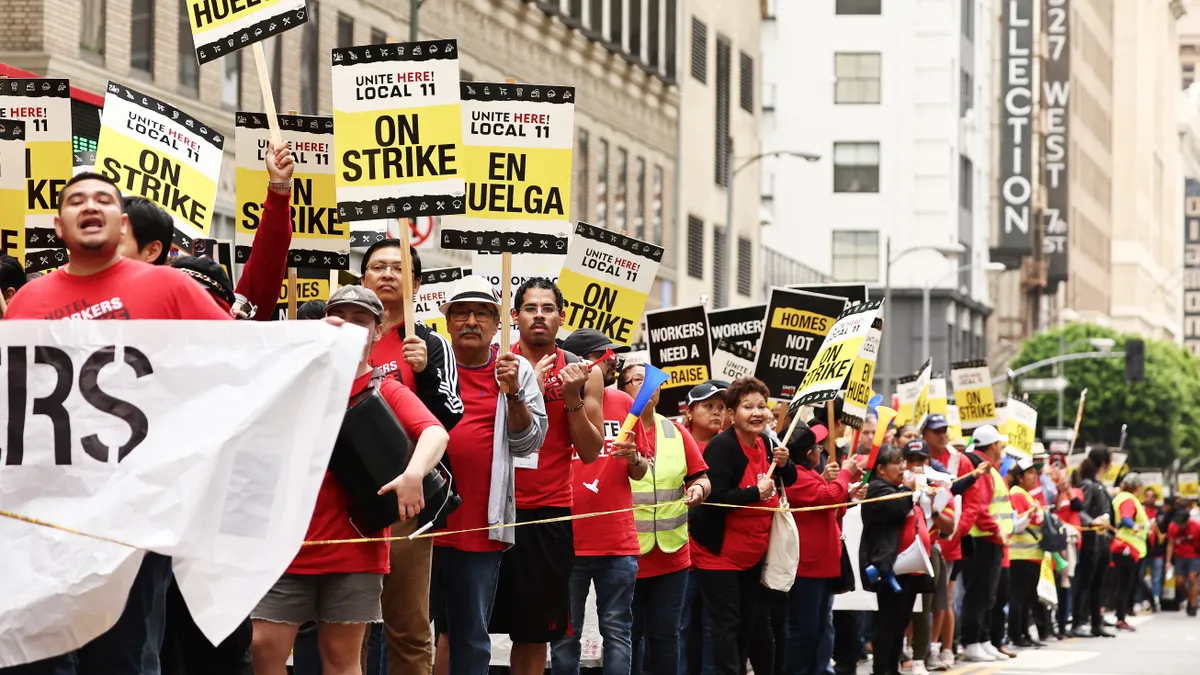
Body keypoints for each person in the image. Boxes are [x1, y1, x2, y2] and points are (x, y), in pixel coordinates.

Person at [1, 172, 231, 675]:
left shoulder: (172, 287)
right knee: (42, 656)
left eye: (103, 198)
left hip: (134, 514)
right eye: (76, 200)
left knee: (123, 657)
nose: (90, 205)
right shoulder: (26, 304)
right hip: (48, 518)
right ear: (59, 226)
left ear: (120, 221)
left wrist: (324, 343)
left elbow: (242, 360)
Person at [249, 286, 449, 675]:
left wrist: (413, 474)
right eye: (339, 318)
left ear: (378, 331)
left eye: (361, 321)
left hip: (356, 549)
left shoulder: (385, 388)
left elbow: (435, 433)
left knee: (342, 658)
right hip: (288, 544)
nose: (349, 328)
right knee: (263, 648)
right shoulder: (293, 380)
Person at [430, 275, 548, 675]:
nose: (471, 321)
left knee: (471, 638)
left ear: (498, 324)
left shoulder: (517, 372)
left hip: (481, 529)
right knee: (407, 631)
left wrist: (513, 392)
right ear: (447, 322)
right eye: (461, 312)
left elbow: (528, 445)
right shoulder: (428, 363)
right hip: (419, 526)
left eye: (482, 313)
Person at [359, 239, 465, 675]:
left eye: (398, 268)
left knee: (407, 625)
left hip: (408, 501)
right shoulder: (342, 336)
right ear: (361, 278)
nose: (387, 274)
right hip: (348, 501)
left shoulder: (431, 344)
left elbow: (448, 419)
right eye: (377, 267)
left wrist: (425, 374)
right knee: (346, 623)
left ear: (416, 284)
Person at [490, 277, 605, 675]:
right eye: (530, 308)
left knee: (534, 633)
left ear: (562, 316)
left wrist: (570, 398)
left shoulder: (583, 372)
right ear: (515, 315)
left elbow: (591, 453)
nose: (539, 315)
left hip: (546, 513)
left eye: (548, 308)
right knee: (460, 627)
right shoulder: (495, 363)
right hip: (488, 508)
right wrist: (525, 389)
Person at [551, 329, 645, 675]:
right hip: (568, 542)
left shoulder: (623, 402)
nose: (613, 363)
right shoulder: (556, 399)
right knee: (564, 635)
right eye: (607, 356)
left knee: (618, 631)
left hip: (617, 543)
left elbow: (641, 470)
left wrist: (634, 457)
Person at [690, 377, 797, 675]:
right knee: (728, 625)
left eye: (762, 406)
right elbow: (713, 498)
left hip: (753, 554)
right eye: (748, 406)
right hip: (718, 555)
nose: (757, 413)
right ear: (732, 413)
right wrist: (755, 493)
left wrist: (786, 463)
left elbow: (789, 481)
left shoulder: (766, 442)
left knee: (753, 624)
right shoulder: (722, 447)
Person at [618, 365, 711, 675]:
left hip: (672, 556)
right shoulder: (615, 432)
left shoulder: (675, 430)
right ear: (622, 389)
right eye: (637, 380)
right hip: (627, 555)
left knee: (666, 636)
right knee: (628, 637)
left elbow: (701, 476)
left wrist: (699, 488)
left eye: (652, 382)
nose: (647, 387)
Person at [785, 415, 863, 675]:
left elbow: (832, 505)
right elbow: (827, 497)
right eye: (818, 448)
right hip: (808, 566)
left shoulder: (809, 474)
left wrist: (848, 494)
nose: (821, 451)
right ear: (809, 453)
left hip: (821, 564)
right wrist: (843, 475)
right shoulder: (795, 478)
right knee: (804, 630)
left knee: (819, 627)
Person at [859, 445, 929, 675]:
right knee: (888, 623)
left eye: (902, 463)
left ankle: (892, 668)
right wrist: (908, 490)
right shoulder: (877, 490)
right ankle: (882, 669)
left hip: (904, 565)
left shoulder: (893, 487)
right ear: (880, 469)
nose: (902, 468)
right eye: (896, 463)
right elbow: (897, 508)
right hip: (887, 565)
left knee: (900, 622)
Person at [955, 426, 1013, 663]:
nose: (1002, 449)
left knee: (988, 595)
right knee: (979, 594)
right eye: (999, 445)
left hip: (990, 540)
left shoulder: (987, 467)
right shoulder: (983, 468)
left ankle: (983, 639)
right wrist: (996, 529)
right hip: (983, 539)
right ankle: (972, 642)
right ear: (991, 446)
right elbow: (979, 507)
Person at [1072, 448, 1115, 637]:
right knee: (1085, 583)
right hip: (1090, 542)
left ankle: (1096, 622)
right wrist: (1091, 521)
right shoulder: (1088, 485)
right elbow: (1080, 510)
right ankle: (1078, 621)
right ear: (1104, 463)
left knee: (1098, 584)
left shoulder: (1099, 484)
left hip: (1102, 543)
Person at [1006, 458, 1046, 648]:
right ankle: (1016, 634)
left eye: (1035, 472)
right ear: (1019, 477)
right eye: (1030, 472)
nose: (1035, 476)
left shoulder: (1029, 496)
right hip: (1021, 555)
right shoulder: (1017, 494)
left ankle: (1024, 632)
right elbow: (1019, 524)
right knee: (1019, 597)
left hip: (1032, 555)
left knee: (1028, 597)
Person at [1109, 473, 1149, 632]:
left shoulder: (1120, 497)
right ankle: (1120, 618)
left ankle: (1120, 616)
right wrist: (1134, 526)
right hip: (1127, 546)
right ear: (1137, 487)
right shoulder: (1128, 499)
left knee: (1122, 584)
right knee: (1124, 585)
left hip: (1124, 545)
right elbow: (1126, 518)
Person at [1166, 498, 1200, 616]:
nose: (1180, 527)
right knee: (1179, 582)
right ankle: (1191, 598)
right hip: (1180, 556)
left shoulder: (1196, 526)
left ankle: (1193, 605)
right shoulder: (1173, 526)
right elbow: (1170, 544)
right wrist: (1168, 561)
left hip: (1194, 556)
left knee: (1192, 578)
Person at [683, 381, 727, 450]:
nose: (716, 412)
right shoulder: (678, 442)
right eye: (709, 406)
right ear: (689, 412)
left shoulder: (731, 443)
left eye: (721, 407)